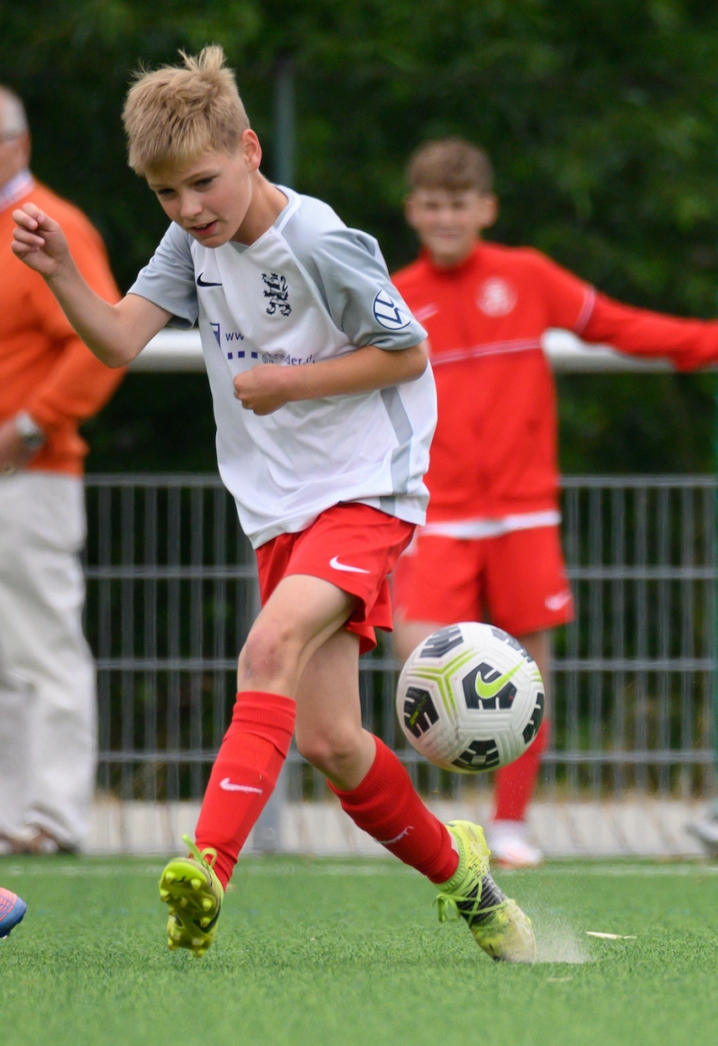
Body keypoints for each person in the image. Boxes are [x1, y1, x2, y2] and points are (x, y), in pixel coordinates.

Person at [11, 48, 536, 962]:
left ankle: (207, 865)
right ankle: (469, 881)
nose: (189, 209)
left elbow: (408, 351)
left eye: (203, 183)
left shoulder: (320, 241)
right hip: (280, 510)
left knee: (266, 649)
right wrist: (60, 272)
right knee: (334, 743)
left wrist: (290, 385)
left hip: (366, 488)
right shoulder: (192, 242)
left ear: (249, 150)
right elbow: (119, 342)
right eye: (167, 194)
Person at [392, 138, 718, 867]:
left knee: (526, 674)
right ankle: (420, 819)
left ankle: (510, 824)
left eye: (459, 204)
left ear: (486, 208)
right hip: (436, 513)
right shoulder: (395, 293)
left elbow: (618, 324)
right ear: (413, 211)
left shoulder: (527, 275)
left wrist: (707, 340)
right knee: (416, 661)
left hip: (524, 510)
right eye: (433, 205)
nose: (446, 219)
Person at [0, 87, 123, 855]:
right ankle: (16, 816)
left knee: (42, 646)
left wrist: (30, 424)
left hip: (30, 474)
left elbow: (101, 342)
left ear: (18, 145)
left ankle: (52, 817)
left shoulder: (50, 224)